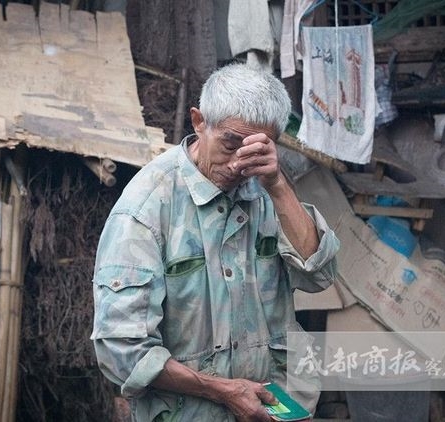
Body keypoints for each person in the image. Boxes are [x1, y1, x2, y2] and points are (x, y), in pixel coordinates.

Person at [91, 63, 340, 421]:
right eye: (230, 143)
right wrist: (223, 391)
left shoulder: (266, 188)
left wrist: (278, 185)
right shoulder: (146, 210)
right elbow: (122, 350)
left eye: (256, 147)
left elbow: (321, 275)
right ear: (198, 121)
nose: (240, 162)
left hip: (276, 409)